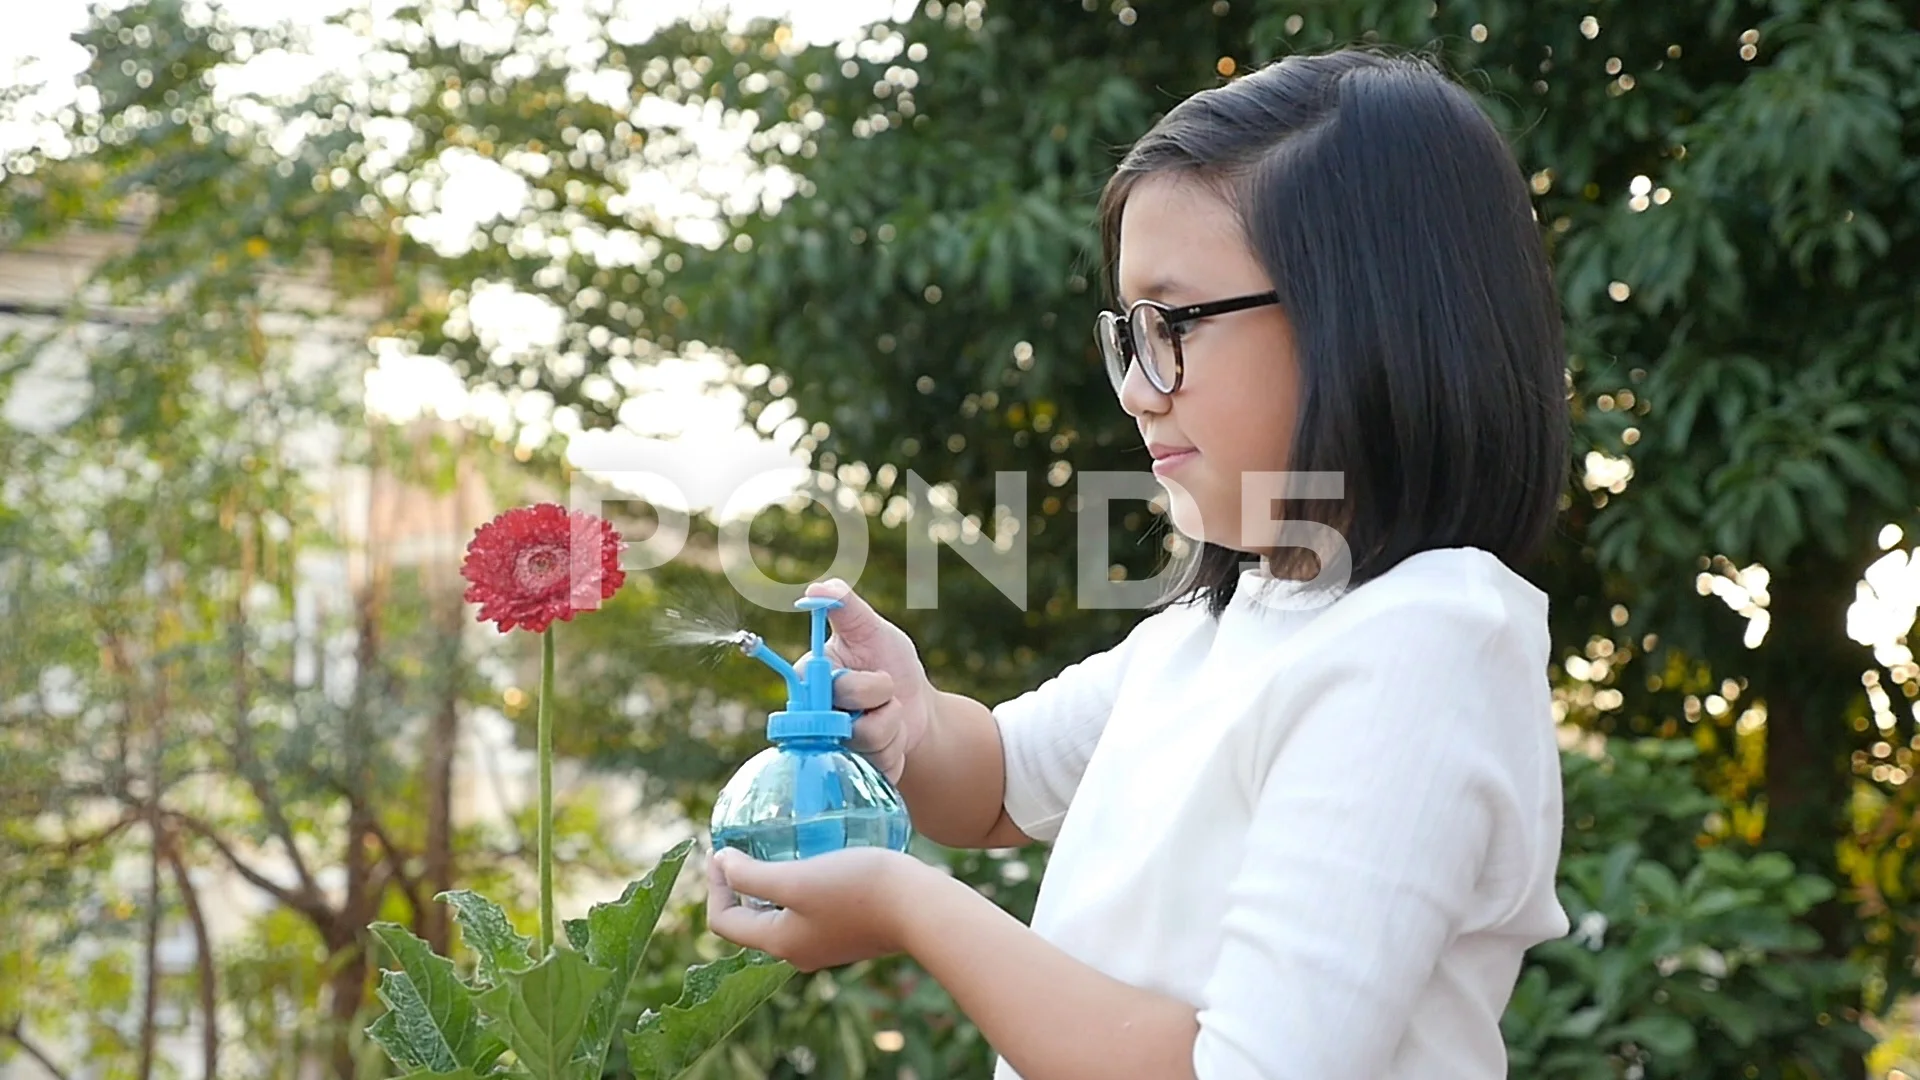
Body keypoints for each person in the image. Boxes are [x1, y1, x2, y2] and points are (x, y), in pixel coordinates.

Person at [705, 47, 1572, 1080]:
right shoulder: (1225, 624)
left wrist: (908, 906)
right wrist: (913, 715)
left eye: (1177, 324)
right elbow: (995, 788)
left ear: (1368, 315)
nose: (1137, 388)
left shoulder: (1427, 644)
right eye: (1129, 331)